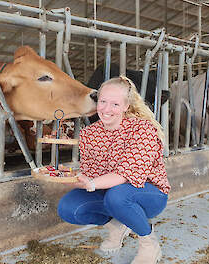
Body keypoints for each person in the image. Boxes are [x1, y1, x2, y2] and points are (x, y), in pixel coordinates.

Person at [57, 76, 170, 264]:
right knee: (69, 207)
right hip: (111, 193)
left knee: (118, 196)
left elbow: (127, 174)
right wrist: (71, 177)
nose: (106, 109)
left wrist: (92, 183)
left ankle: (149, 244)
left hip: (149, 193)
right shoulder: (89, 133)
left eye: (115, 104)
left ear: (126, 106)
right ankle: (117, 226)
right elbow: (91, 174)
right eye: (103, 102)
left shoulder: (142, 130)